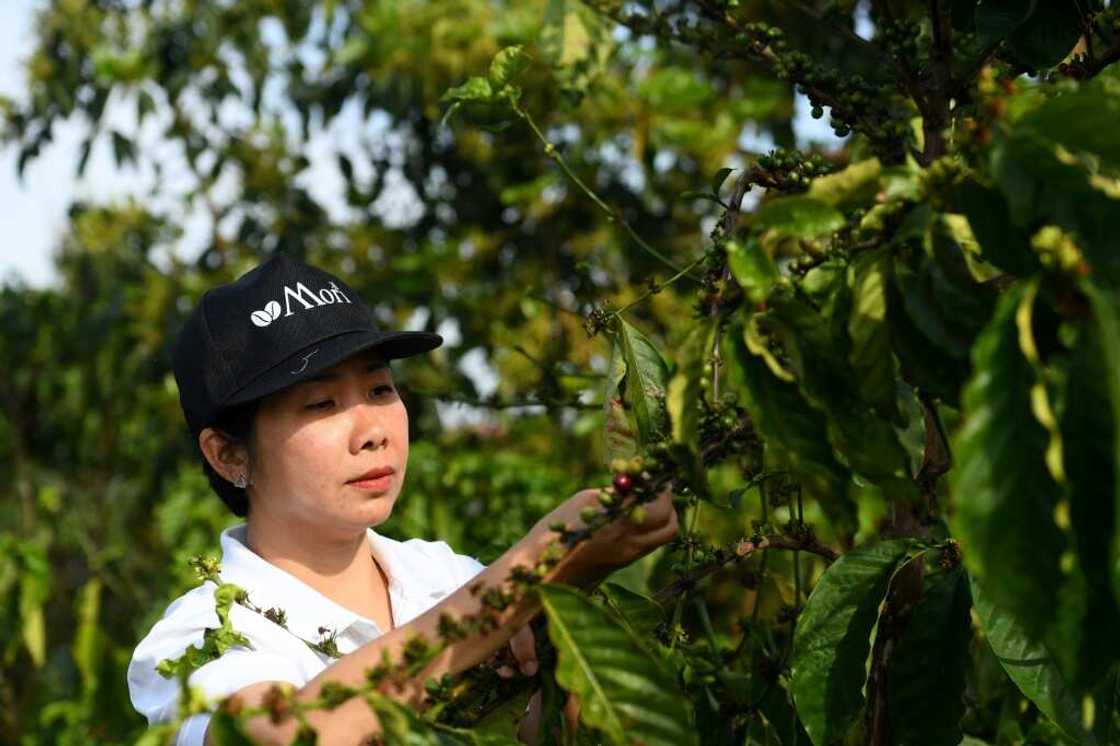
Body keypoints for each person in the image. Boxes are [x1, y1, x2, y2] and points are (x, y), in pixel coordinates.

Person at [127, 255, 678, 745]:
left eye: (379, 390)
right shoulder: (199, 640)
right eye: (321, 403)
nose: (372, 431)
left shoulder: (448, 578)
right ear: (228, 455)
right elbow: (287, 734)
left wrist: (572, 606)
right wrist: (529, 574)